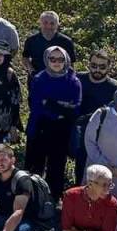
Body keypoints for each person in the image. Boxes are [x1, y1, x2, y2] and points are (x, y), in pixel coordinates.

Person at [26, 46, 83, 199]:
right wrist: (61, 107)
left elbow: (74, 109)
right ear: (46, 59)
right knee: (35, 165)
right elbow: (37, 105)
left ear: (66, 60)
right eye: (53, 59)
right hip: (40, 125)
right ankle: (32, 198)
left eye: (60, 59)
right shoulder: (39, 79)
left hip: (62, 130)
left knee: (56, 166)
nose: (56, 62)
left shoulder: (73, 81)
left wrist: (51, 103)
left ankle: (53, 199)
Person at [77, 50, 117, 184]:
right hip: (77, 130)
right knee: (79, 166)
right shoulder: (79, 79)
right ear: (88, 65)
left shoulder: (114, 87)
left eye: (102, 67)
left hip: (101, 133)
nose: (97, 69)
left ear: (109, 67)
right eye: (94, 65)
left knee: (99, 169)